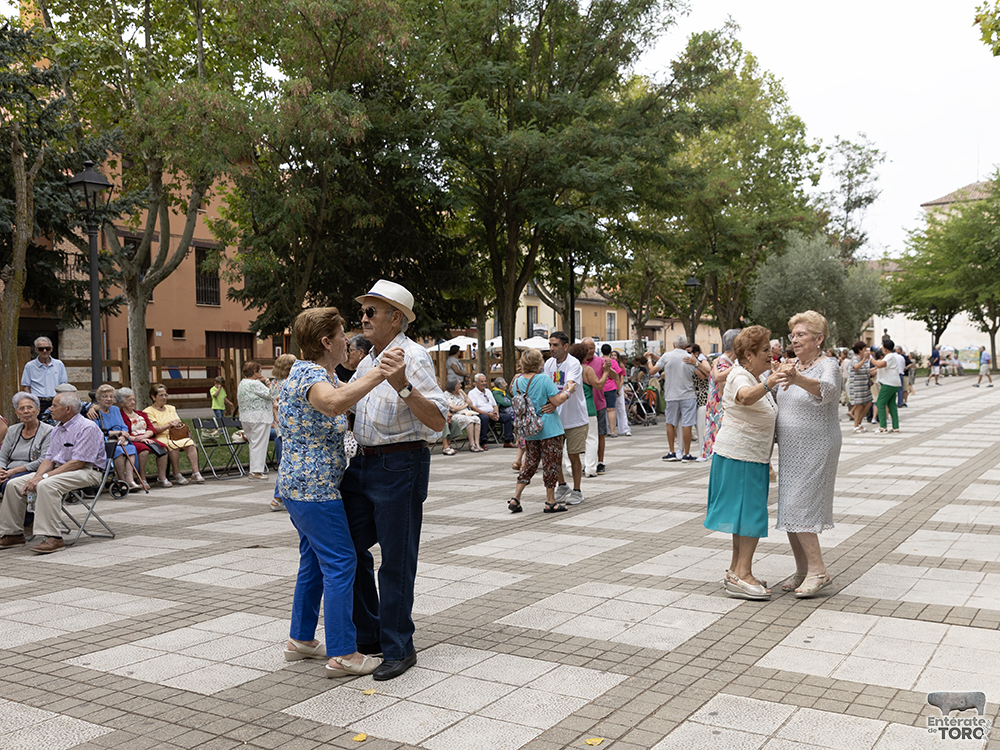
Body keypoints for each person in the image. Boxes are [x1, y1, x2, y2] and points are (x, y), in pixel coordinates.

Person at [279, 306, 404, 679]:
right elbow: (332, 404)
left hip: (301, 485)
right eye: (342, 334)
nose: (348, 339)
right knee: (341, 562)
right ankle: (344, 653)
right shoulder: (309, 374)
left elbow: (338, 401)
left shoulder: (324, 374)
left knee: (314, 559)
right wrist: (382, 371)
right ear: (326, 341)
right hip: (313, 488)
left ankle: (301, 639)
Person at [341, 280, 447, 681]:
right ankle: (370, 633)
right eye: (363, 311)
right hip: (363, 465)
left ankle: (399, 645)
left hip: (400, 464)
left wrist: (402, 384)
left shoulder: (412, 356)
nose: (363, 318)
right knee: (344, 549)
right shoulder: (370, 357)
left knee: (397, 560)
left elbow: (437, 421)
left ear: (395, 318)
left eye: (371, 312)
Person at [705, 327, 781, 600]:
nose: (771, 356)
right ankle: (743, 574)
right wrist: (771, 382)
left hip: (750, 457)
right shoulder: (739, 375)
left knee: (744, 517)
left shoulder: (750, 374)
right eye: (765, 352)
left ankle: (737, 569)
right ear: (748, 354)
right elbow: (745, 397)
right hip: (741, 457)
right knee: (750, 517)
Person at [774, 310, 842, 599]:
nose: (795, 339)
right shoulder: (791, 365)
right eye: (793, 335)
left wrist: (797, 378)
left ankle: (818, 571)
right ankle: (802, 569)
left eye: (801, 334)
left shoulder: (829, 364)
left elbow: (827, 391)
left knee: (801, 505)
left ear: (819, 338)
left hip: (817, 446)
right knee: (790, 507)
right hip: (790, 450)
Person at [0, 392, 105, 554]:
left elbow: (78, 462)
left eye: (54, 405)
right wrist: (35, 478)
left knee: (47, 484)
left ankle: (53, 537)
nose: (49, 409)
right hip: (62, 469)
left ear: (67, 408)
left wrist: (44, 477)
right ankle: (13, 534)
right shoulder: (58, 428)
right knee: (14, 484)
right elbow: (48, 459)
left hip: (88, 471)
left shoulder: (87, 427)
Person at [508, 348, 573, 513]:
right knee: (551, 463)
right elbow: (556, 400)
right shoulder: (544, 379)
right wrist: (568, 391)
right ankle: (550, 501)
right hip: (549, 428)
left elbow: (512, 394)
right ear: (539, 363)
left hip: (529, 430)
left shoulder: (516, 381)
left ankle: (516, 497)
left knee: (529, 462)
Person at [544, 331, 588, 506]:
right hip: (555, 417)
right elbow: (546, 386)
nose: (551, 348)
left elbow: (570, 386)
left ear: (565, 346)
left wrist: (555, 402)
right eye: (550, 345)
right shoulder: (549, 364)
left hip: (575, 417)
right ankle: (562, 485)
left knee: (573, 455)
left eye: (555, 345)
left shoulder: (574, 364)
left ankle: (577, 491)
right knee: (554, 455)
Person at [0, 393, 54, 538]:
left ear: (37, 410)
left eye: (29, 407)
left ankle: (24, 523)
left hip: (33, 471)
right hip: (9, 470)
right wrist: (2, 469)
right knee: (5, 480)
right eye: (21, 408)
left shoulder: (48, 431)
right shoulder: (12, 430)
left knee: (9, 485)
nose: (26, 411)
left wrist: (13, 471)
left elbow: (44, 459)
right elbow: (2, 455)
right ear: (17, 413)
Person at [646, 335, 700, 462]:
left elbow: (653, 371)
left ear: (674, 345)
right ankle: (686, 453)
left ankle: (672, 451)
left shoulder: (667, 356)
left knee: (670, 423)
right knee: (687, 425)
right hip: (688, 394)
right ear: (686, 345)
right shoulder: (690, 357)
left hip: (671, 395)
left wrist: (649, 360)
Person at [145, 383, 206, 486]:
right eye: (161, 395)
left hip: (176, 434)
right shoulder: (149, 411)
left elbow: (178, 421)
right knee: (172, 445)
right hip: (161, 436)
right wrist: (168, 425)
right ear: (153, 397)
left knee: (190, 443)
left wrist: (178, 424)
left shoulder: (171, 408)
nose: (164, 397)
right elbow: (154, 429)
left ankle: (196, 473)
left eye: (165, 395)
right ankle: (177, 473)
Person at [88, 384, 141, 489]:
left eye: (111, 396)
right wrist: (116, 433)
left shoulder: (115, 409)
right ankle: (122, 480)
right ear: (98, 399)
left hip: (119, 440)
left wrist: (123, 435)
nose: (109, 399)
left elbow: (124, 427)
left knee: (131, 448)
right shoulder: (95, 413)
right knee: (117, 450)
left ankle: (130, 479)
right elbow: (97, 431)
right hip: (104, 442)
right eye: (105, 396)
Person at [701, 329, 740, 461]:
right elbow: (723, 388)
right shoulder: (725, 363)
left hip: (717, 410)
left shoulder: (721, 361)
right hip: (720, 411)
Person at [114, 387, 163, 490]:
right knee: (144, 450)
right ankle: (142, 477)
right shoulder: (120, 416)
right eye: (129, 400)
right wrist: (139, 439)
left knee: (163, 447)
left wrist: (145, 436)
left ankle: (162, 477)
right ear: (121, 403)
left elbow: (151, 428)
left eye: (133, 399)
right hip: (132, 440)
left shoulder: (141, 414)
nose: (132, 402)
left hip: (146, 438)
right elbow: (124, 432)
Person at [576, 342, 612, 477]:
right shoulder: (583, 368)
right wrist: (605, 373)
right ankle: (589, 466)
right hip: (587, 406)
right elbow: (598, 384)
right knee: (590, 437)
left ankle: (599, 462)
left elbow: (613, 377)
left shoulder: (601, 361)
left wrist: (608, 370)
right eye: (587, 349)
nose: (590, 351)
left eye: (592, 348)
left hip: (598, 404)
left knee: (600, 434)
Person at [237, 361, 274, 480]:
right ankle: (257, 471)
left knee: (253, 443)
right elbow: (271, 394)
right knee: (259, 444)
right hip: (259, 417)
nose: (261, 374)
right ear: (254, 372)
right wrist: (267, 382)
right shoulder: (255, 384)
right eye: (260, 371)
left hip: (246, 417)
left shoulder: (242, 383)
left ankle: (253, 470)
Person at [269, 353, 297, 510]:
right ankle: (277, 497)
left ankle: (280, 497)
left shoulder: (273, 384)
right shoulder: (290, 383)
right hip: (290, 429)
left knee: (284, 463)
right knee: (287, 464)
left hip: (279, 428)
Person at [20, 336, 68, 414]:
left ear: (51, 349)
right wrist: (30, 403)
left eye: (47, 348)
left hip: (55, 401)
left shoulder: (59, 364)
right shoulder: (30, 366)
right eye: (41, 349)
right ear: (36, 350)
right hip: (38, 402)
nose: (44, 351)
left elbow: (63, 385)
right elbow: (26, 387)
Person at [468, 373, 514, 449]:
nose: (484, 383)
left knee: (507, 417)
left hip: (492, 413)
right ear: (476, 382)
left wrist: (496, 412)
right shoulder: (472, 393)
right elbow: (474, 408)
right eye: (482, 381)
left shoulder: (488, 391)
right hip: (480, 413)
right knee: (484, 418)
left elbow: (495, 405)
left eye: (485, 381)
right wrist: (488, 414)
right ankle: (483, 442)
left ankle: (508, 441)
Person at [870, 340, 902, 433]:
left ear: (885, 348)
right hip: (893, 383)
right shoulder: (889, 357)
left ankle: (883, 426)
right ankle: (895, 427)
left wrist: (870, 358)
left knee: (880, 403)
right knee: (891, 405)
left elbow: (880, 365)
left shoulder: (889, 356)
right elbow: (879, 367)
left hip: (889, 384)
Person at [441, 380, 479, 454]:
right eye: (459, 384)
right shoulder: (447, 394)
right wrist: (465, 405)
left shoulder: (461, 394)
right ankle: (472, 444)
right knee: (469, 420)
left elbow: (470, 404)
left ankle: (477, 444)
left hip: (466, 413)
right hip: (455, 414)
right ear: (454, 385)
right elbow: (453, 408)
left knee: (477, 419)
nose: (461, 385)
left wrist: (465, 395)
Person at [689, 343, 711, 460]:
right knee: (697, 426)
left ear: (696, 353)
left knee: (702, 426)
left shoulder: (702, 361)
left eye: (689, 352)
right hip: (693, 398)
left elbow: (707, 373)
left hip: (703, 398)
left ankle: (704, 451)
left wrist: (695, 365)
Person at [848, 341, 873, 433]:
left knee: (869, 402)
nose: (866, 351)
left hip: (864, 386)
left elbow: (866, 371)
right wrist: (864, 359)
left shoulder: (864, 360)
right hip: (857, 386)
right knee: (859, 405)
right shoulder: (855, 359)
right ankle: (856, 425)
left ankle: (859, 422)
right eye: (864, 349)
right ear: (859, 350)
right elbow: (856, 367)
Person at [600, 344, 624, 438]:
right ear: (610, 352)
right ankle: (613, 431)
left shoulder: (599, 361)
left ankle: (602, 431)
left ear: (601, 351)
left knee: (601, 410)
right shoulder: (613, 362)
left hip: (601, 387)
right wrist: (618, 389)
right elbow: (617, 377)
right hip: (611, 388)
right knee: (611, 410)